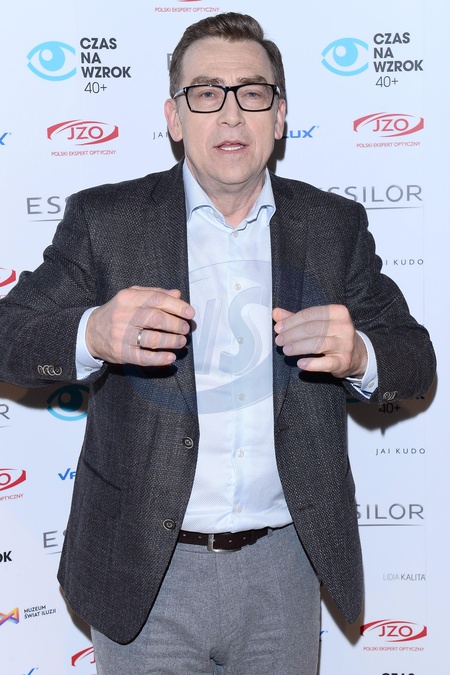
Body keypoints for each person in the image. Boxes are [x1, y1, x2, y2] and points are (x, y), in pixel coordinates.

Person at [0, 11, 436, 675]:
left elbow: (415, 360)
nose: (230, 114)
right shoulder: (106, 221)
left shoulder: (333, 225)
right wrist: (92, 330)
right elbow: (9, 333)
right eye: (205, 93)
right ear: (174, 117)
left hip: (285, 567)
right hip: (141, 571)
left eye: (251, 92)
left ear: (280, 115)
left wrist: (360, 355)